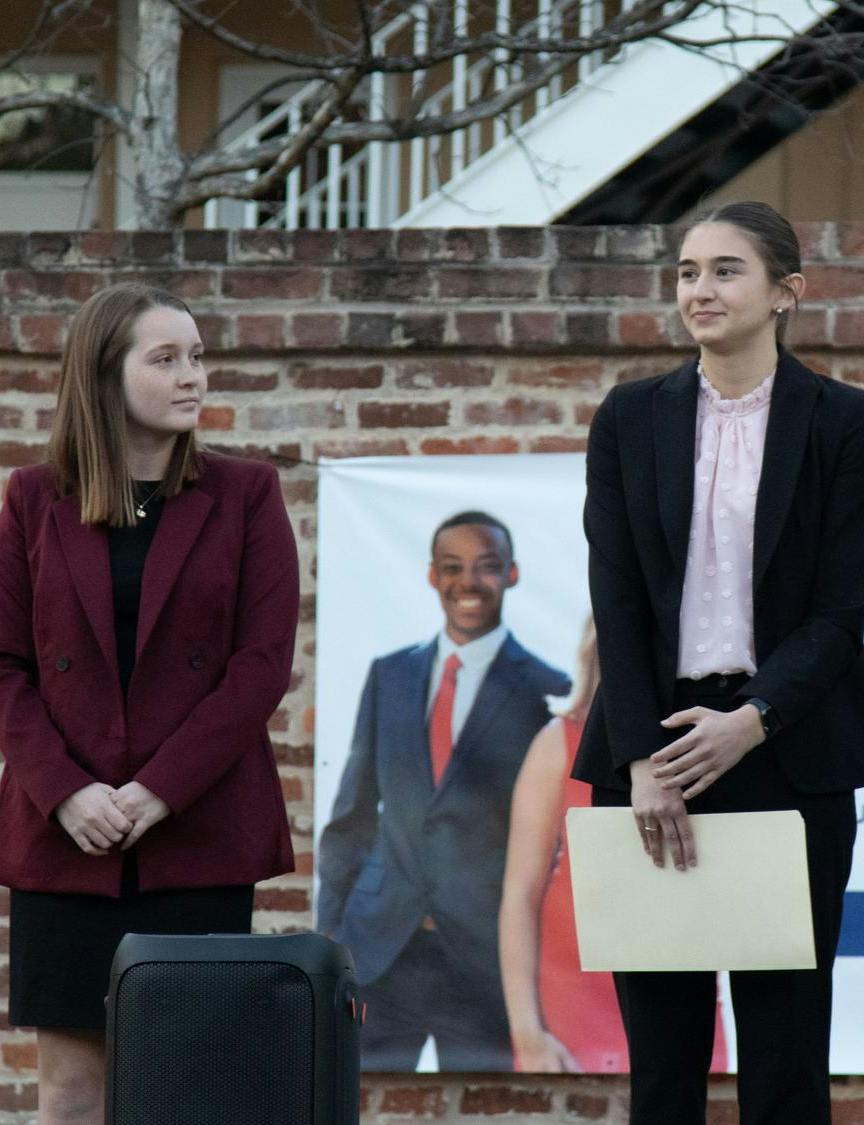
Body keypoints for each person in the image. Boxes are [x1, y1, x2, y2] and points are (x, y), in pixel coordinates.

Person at [575, 200, 864, 1124]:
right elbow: (620, 598)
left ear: (785, 293)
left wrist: (752, 720)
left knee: (786, 1057)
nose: (700, 289)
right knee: (664, 1064)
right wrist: (642, 759)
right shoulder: (629, 417)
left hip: (789, 750)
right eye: (687, 271)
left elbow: (841, 613)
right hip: (653, 749)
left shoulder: (843, 422)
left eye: (726, 269)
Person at [0, 282, 299, 1124]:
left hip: (196, 832)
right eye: (165, 359)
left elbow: (260, 666)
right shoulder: (32, 498)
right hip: (66, 840)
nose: (192, 376)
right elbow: (7, 665)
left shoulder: (247, 493)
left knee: (193, 1090)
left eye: (197, 356)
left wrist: (160, 787)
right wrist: (65, 790)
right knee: (68, 1094)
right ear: (105, 375)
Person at [317, 510, 570, 1071]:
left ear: (513, 574)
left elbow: (552, 840)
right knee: (354, 1105)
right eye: (452, 568)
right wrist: (330, 936)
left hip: (484, 959)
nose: (468, 583)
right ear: (433, 576)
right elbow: (351, 816)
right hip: (380, 950)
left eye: (487, 567)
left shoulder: (546, 689)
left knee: (487, 1110)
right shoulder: (390, 676)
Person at [500, 616, 732, 1074]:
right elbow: (518, 895)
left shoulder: (706, 745)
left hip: (684, 985)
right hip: (571, 998)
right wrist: (526, 1031)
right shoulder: (559, 743)